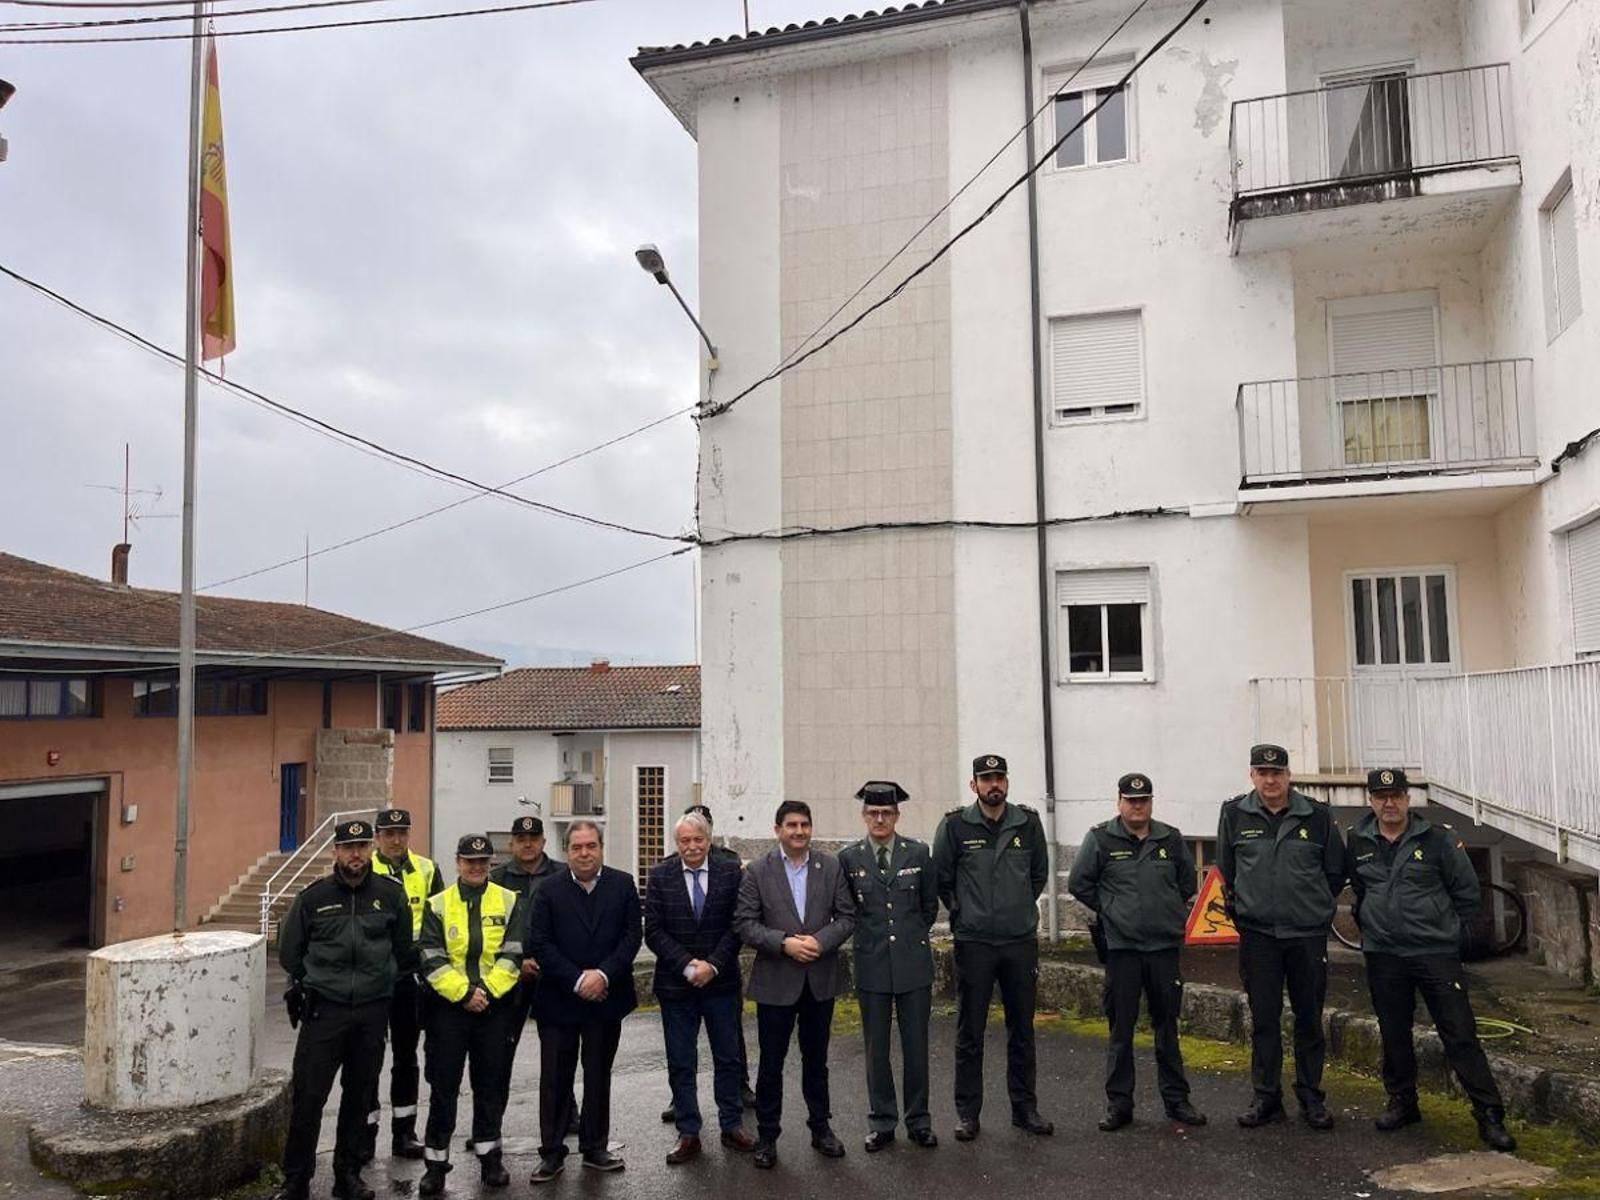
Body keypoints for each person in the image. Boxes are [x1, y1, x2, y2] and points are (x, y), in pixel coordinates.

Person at [1345, 768, 1516, 1151]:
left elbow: (1467, 894)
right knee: (1394, 1034)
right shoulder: (1357, 840)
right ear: (1370, 801)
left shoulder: (1437, 839)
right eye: (1380, 796)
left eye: (1396, 795)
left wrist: (1445, 932)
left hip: (1434, 953)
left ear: (1408, 799)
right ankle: (1403, 1102)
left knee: (1459, 1034)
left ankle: (1489, 1115)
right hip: (1384, 954)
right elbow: (1360, 889)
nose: (1389, 803)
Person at [273, 819, 412, 1200]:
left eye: (363, 846)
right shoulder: (313, 898)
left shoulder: (390, 895)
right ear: (335, 851)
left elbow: (402, 952)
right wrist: (319, 981)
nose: (356, 854)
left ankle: (347, 1176)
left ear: (371, 850)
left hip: (370, 1013)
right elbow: (290, 953)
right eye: (349, 848)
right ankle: (296, 1180)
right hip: (325, 1012)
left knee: (359, 1096)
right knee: (309, 1098)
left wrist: (378, 984)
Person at [1217, 744, 1345, 1131]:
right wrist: (1247, 912)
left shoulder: (1317, 816)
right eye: (1262, 772)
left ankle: (1311, 1097)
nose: (1270, 780)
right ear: (1252, 775)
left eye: (1277, 773)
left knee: (1308, 1018)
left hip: (1306, 935)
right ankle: (1266, 1096)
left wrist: (1313, 908)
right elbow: (1227, 868)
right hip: (1259, 936)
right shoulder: (1235, 814)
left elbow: (1335, 873)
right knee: (1264, 1020)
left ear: (1288, 776)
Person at [1067, 772, 1205, 1131]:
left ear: (1151, 803)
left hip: (1162, 948)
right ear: (1120, 802)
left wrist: (1165, 912)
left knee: (1167, 1028)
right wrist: (1111, 908)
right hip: (1122, 950)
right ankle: (1119, 1104)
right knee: (1121, 1031)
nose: (1137, 806)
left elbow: (1187, 884)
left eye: (1143, 800)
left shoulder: (1170, 839)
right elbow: (1079, 883)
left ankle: (1177, 1101)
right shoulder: (1100, 839)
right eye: (1131, 800)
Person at [932, 754, 1052, 1141]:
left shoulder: (1027, 823)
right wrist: (964, 914)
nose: (993, 784)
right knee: (971, 1030)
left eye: (999, 777)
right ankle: (968, 1113)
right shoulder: (955, 826)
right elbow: (943, 878)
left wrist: (1016, 909)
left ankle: (1025, 1108)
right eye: (986, 779)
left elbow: (1038, 875)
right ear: (974, 786)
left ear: (1007, 782)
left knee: (1022, 1029)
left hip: (1019, 940)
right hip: (975, 942)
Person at [734, 799, 856, 1169]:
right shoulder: (757, 870)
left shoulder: (830, 866)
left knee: (816, 1062)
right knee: (771, 1064)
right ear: (778, 830)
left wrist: (821, 941)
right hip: (776, 982)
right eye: (791, 825)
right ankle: (768, 1136)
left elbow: (848, 916)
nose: (799, 831)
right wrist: (784, 943)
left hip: (820, 979)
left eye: (804, 824)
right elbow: (744, 923)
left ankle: (821, 1129)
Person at [526, 820, 642, 1183]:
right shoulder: (547, 890)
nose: (585, 853)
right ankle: (551, 1152)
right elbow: (540, 943)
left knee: (597, 1075)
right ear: (566, 851)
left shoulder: (623, 885)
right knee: (555, 1078)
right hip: (560, 999)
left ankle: (594, 1148)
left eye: (591, 845)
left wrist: (602, 975)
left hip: (606, 998)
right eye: (577, 847)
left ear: (601, 847)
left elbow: (630, 937)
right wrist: (578, 980)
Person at [415, 835, 529, 1195]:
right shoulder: (437, 904)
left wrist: (488, 992)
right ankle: (435, 1165)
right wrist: (464, 994)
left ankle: (490, 1159)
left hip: (494, 1009)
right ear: (458, 862)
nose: (477, 867)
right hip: (449, 1010)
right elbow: (431, 958)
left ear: (491, 863)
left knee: (491, 1085)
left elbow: (513, 955)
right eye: (469, 861)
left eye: (483, 861)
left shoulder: (509, 901)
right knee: (444, 1087)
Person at [645, 810, 756, 1164]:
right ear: (676, 843)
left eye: (698, 840)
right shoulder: (660, 875)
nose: (692, 847)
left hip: (720, 983)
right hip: (676, 987)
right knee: (681, 1060)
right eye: (684, 841)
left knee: (727, 1057)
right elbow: (654, 930)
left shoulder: (729, 872)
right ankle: (688, 1131)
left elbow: (738, 925)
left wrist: (713, 964)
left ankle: (731, 1125)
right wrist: (688, 965)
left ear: (709, 840)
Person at [837, 781, 940, 1151]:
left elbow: (929, 907)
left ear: (897, 815)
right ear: (864, 816)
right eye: (873, 813)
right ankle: (882, 1122)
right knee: (876, 1050)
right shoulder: (848, 859)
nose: (880, 819)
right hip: (872, 965)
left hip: (913, 965)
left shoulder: (918, 853)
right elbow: (846, 910)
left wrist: (910, 940)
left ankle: (919, 1121)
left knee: (916, 1047)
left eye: (887, 813)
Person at [365, 806, 443, 1161]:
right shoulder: (366, 868)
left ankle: (405, 1132)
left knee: (406, 1057)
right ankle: (364, 1134)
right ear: (378, 837)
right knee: (367, 1057)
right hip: (372, 979)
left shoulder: (426, 869)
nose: (396, 840)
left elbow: (438, 921)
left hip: (410, 978)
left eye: (402, 833)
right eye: (389, 834)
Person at [488, 815, 572, 1139]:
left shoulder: (563, 874)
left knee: (560, 1053)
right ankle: (490, 1123)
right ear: (511, 843)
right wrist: (516, 962)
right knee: (499, 1055)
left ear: (543, 842)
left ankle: (568, 1116)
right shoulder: (496, 879)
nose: (527, 844)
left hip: (553, 977)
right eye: (521, 838)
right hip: (508, 979)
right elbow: (487, 931)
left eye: (534, 838)